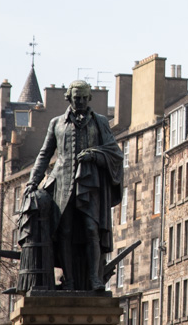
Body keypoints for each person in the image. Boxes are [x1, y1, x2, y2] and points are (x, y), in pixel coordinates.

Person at [24, 80, 123, 291]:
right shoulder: (56, 123)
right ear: (69, 97)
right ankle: (68, 279)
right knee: (64, 232)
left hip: (90, 184)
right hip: (62, 183)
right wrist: (33, 181)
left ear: (89, 98)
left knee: (91, 229)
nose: (80, 101)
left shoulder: (100, 122)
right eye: (76, 97)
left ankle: (95, 278)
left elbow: (114, 151)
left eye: (84, 98)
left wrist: (95, 155)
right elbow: (44, 154)